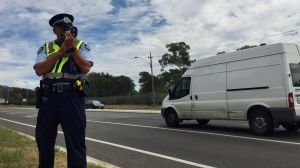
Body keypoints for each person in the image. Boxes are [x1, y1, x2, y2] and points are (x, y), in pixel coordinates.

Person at [33, 13, 93, 168]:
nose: (66, 31)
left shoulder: (81, 45)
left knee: (76, 142)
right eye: (62, 27)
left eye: (69, 27)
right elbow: (39, 70)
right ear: (54, 30)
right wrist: (60, 51)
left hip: (72, 97)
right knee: (43, 140)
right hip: (49, 98)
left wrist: (72, 48)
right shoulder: (45, 47)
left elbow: (86, 67)